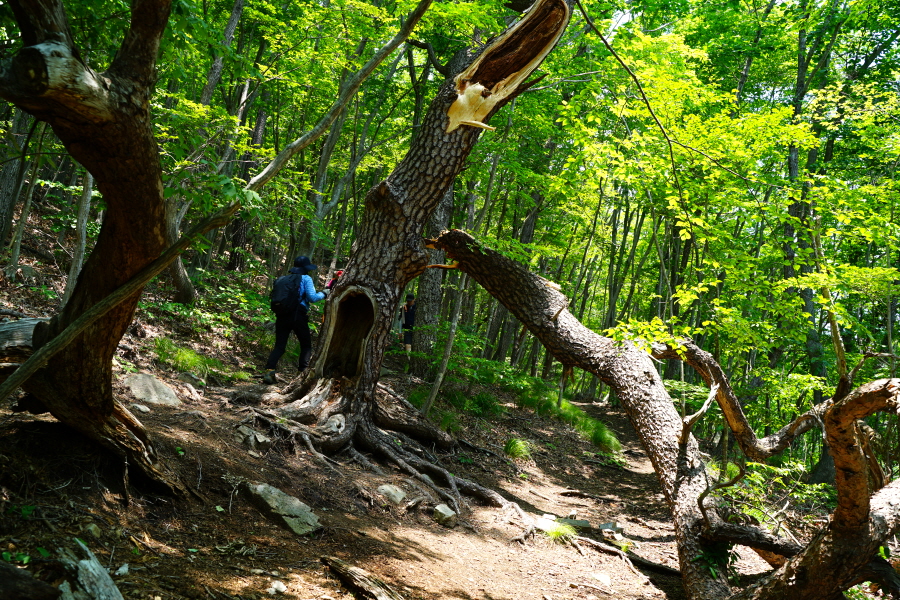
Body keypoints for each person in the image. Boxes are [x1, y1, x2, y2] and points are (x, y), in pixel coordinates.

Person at [263, 256, 327, 384]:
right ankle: (301, 373)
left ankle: (269, 372)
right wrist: (325, 293)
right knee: (306, 345)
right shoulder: (306, 278)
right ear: (305, 268)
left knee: (280, 346)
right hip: (298, 315)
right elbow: (313, 298)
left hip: (282, 315)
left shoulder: (282, 279)